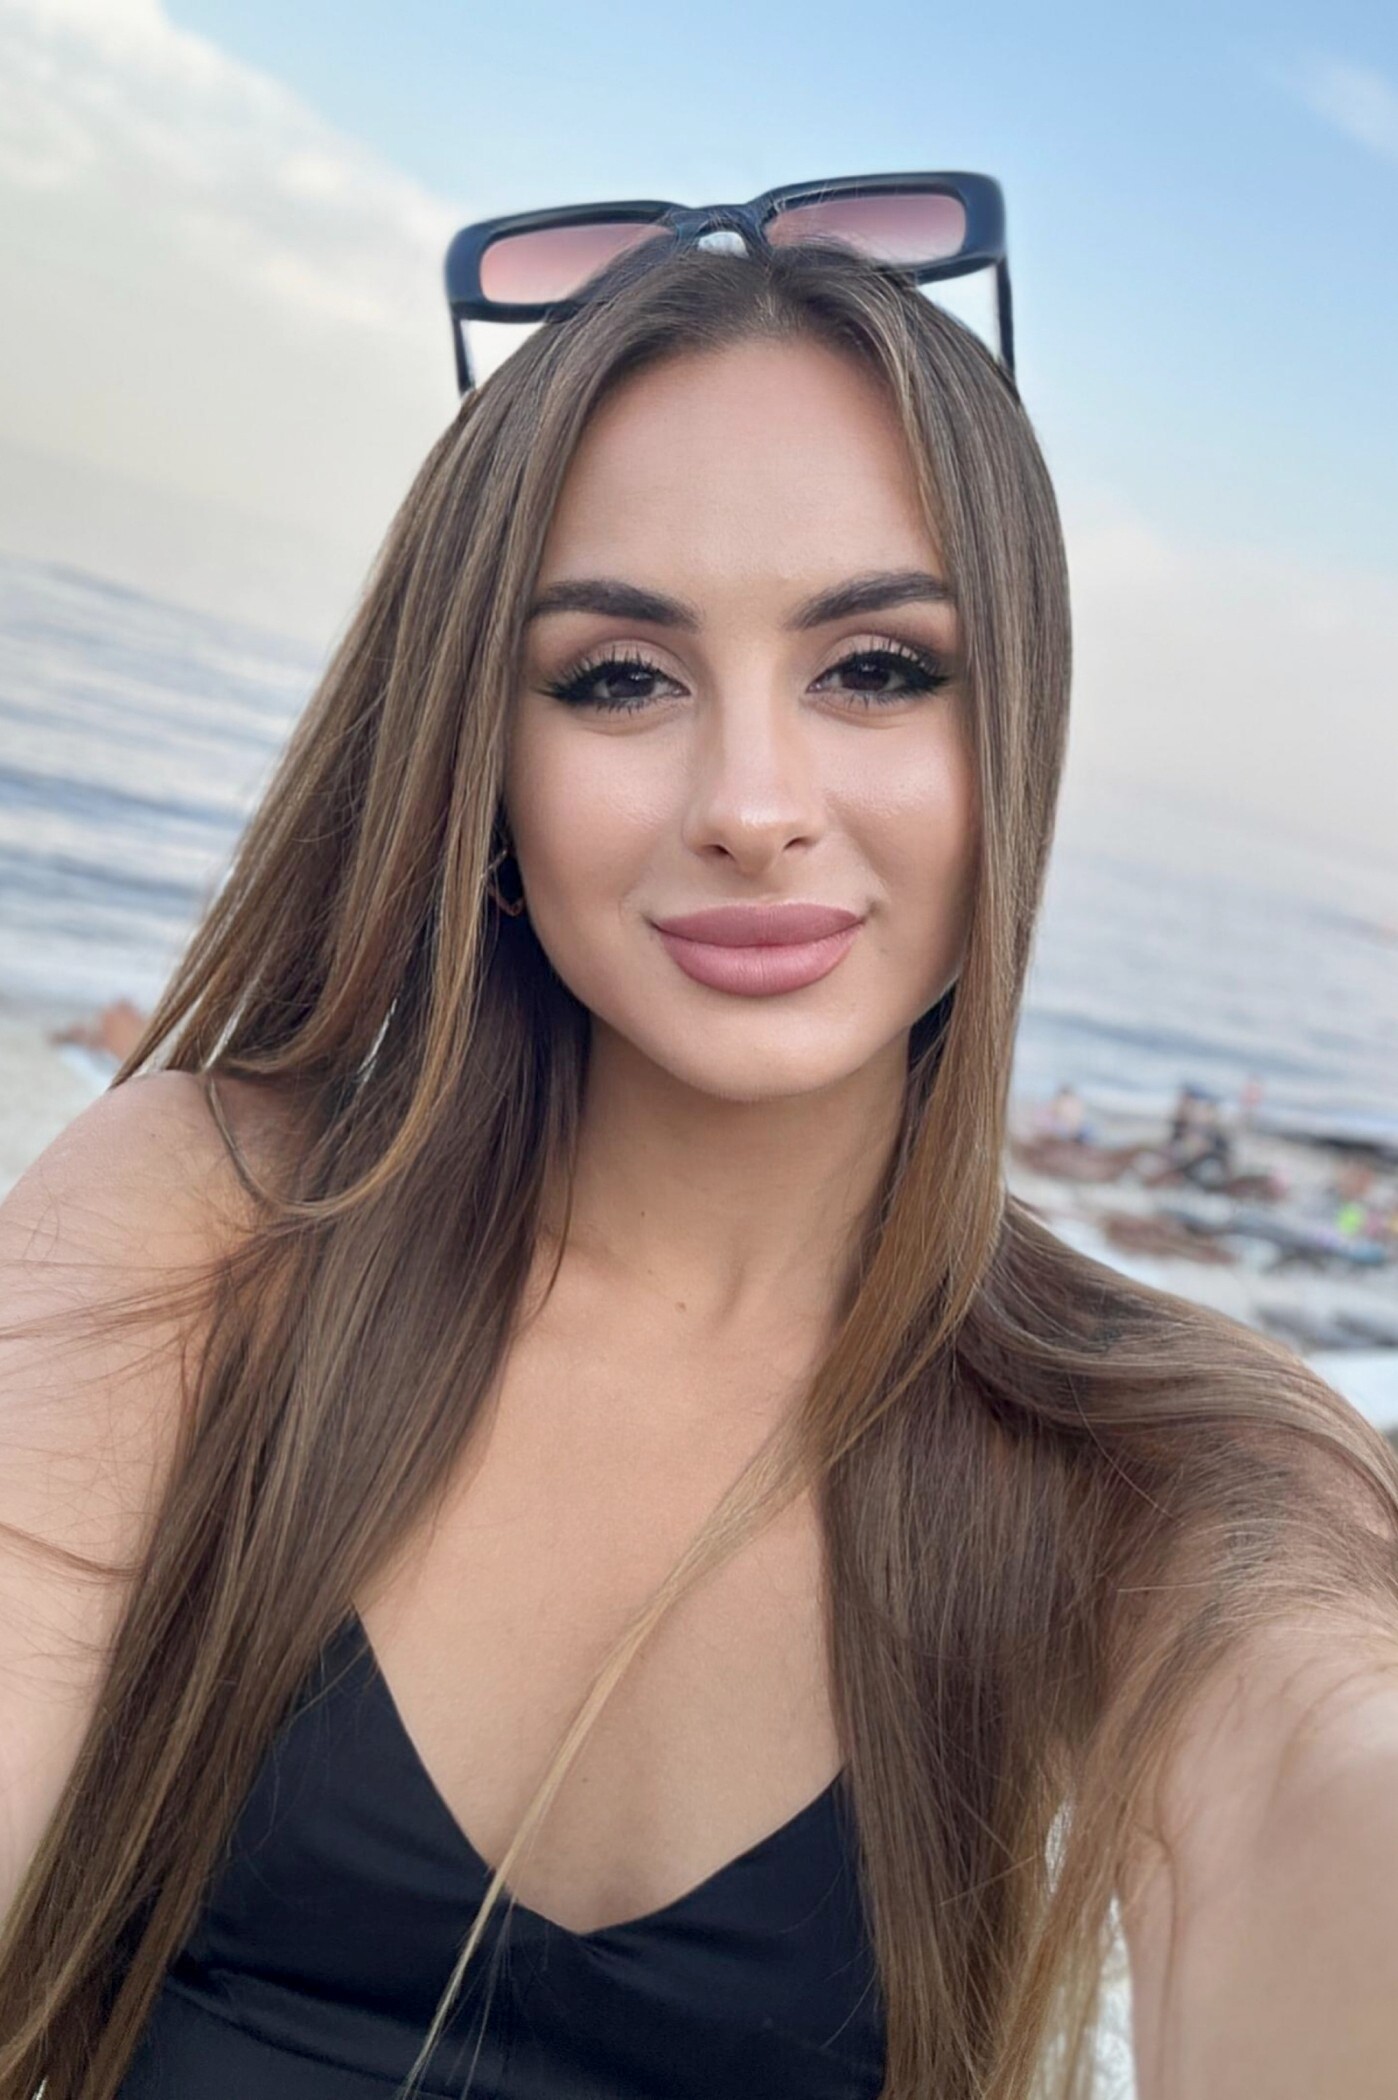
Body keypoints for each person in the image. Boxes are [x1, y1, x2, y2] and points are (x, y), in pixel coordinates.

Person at [4, 222, 1398, 2100]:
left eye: (878, 667)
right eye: (616, 678)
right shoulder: (218, 1221)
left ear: (1017, 732)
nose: (751, 805)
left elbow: (1319, 1778)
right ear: (481, 758)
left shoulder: (1145, 1459)